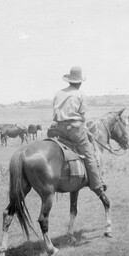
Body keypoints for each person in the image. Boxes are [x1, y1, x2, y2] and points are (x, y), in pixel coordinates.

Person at [51, 66, 106, 195]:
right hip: (74, 130)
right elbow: (82, 114)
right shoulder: (80, 94)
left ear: (69, 80)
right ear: (80, 82)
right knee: (89, 154)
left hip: (57, 129)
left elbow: (54, 110)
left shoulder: (58, 93)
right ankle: (97, 185)